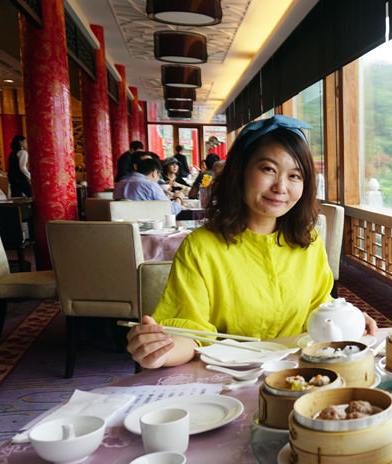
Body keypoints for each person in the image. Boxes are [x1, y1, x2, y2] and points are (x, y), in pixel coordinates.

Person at [127, 115, 377, 369]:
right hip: (230, 375)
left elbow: (320, 309)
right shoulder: (202, 246)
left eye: (295, 175)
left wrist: (346, 319)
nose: (281, 187)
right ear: (241, 171)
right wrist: (159, 351)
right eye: (268, 169)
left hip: (300, 372)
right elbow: (190, 332)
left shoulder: (308, 242)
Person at [113, 156, 183, 215]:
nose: (158, 179)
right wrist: (178, 198)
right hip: (148, 225)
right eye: (158, 175)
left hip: (125, 225)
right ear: (154, 173)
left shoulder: (120, 183)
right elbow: (171, 210)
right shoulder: (151, 185)